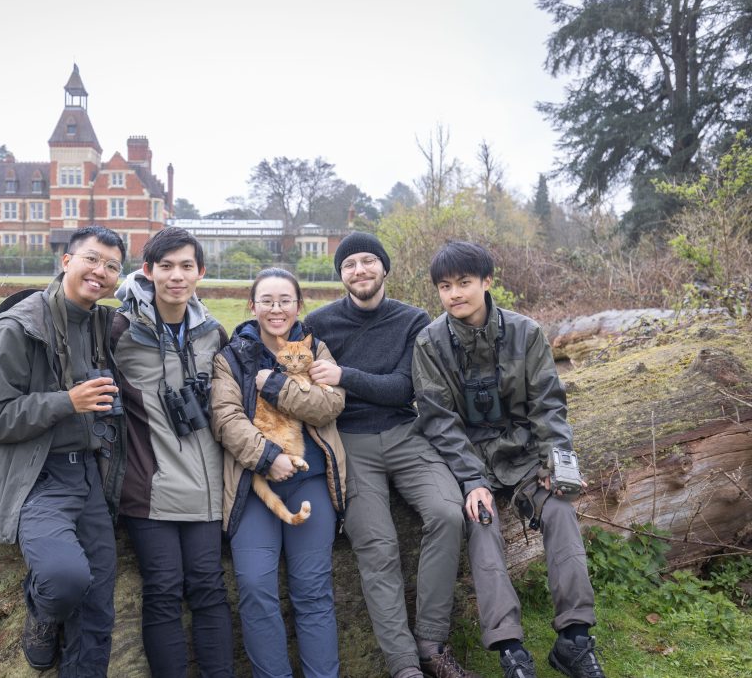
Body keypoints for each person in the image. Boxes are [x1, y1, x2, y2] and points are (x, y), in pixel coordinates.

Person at [411, 240, 606, 678]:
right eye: (445, 286)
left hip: (522, 457)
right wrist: (470, 480)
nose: (455, 294)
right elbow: (439, 420)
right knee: (481, 524)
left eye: (464, 282)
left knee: (559, 511)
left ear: (487, 282)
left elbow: (549, 405)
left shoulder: (525, 332)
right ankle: (510, 649)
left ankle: (575, 639)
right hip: (466, 461)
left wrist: (560, 465)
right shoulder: (430, 343)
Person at [0, 226, 127, 678]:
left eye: (112, 266)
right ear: (66, 260)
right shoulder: (18, 326)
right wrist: (66, 402)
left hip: (90, 477)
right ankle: (43, 617)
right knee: (66, 580)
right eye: (92, 259)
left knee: (98, 615)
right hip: (36, 479)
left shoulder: (100, 324)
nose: (101, 272)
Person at [304, 232, 478, 678]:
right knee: (377, 546)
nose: (359, 270)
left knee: (448, 514)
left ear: (384, 267)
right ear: (341, 274)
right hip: (349, 441)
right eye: (349, 265)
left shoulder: (412, 319)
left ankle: (431, 643)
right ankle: (405, 666)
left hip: (405, 432)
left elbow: (404, 387)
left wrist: (343, 374)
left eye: (367, 261)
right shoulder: (319, 324)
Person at [109, 227, 234, 677]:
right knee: (162, 589)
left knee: (208, 588)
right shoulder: (120, 329)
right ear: (148, 271)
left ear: (201, 272)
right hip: (150, 489)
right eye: (166, 266)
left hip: (205, 490)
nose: (176, 276)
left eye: (186, 266)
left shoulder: (214, 332)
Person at [211, 268, 346, 678]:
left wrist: (274, 387)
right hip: (256, 487)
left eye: (285, 300)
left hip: (312, 483)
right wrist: (269, 457)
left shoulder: (317, 348)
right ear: (251, 306)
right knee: (254, 589)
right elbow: (225, 417)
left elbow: (329, 405)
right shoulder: (231, 357)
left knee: (313, 592)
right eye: (266, 300)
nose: (276, 308)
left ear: (298, 306)